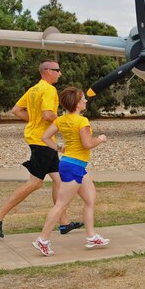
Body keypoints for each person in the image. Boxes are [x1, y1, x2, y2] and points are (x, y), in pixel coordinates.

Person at [0, 60, 81, 238]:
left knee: (60, 180)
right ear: (47, 71)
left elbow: (16, 110)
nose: (60, 73)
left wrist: (33, 121)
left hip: (40, 139)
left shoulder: (33, 90)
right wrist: (66, 121)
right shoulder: (49, 90)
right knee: (35, 183)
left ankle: (64, 223)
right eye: (57, 70)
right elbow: (48, 114)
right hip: (41, 141)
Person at [32, 87, 109, 256]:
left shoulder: (61, 120)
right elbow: (88, 144)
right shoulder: (82, 122)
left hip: (73, 165)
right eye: (83, 99)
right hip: (73, 166)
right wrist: (101, 139)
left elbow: (45, 138)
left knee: (90, 198)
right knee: (61, 204)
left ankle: (91, 236)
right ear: (77, 103)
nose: (86, 101)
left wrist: (59, 147)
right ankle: (42, 240)